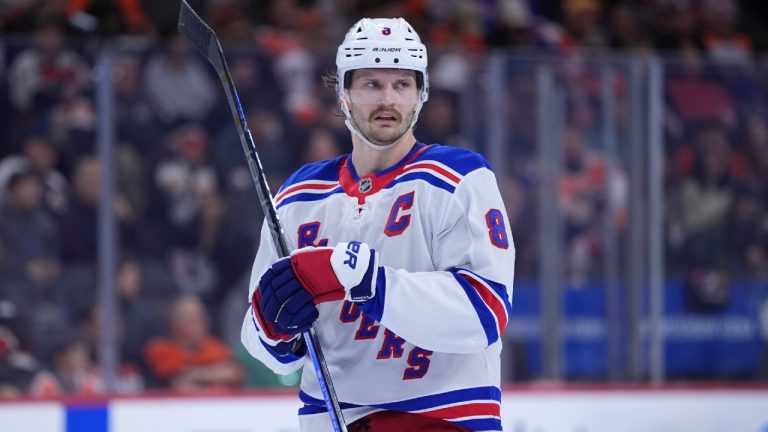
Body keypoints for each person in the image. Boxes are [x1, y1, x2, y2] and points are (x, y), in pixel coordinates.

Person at [240, 18, 514, 432]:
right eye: (371, 84)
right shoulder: (299, 197)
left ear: (421, 94)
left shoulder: (457, 178)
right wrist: (271, 328)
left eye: (402, 85)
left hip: (439, 421)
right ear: (343, 93)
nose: (388, 100)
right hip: (332, 420)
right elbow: (266, 344)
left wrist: (376, 285)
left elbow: (484, 314)